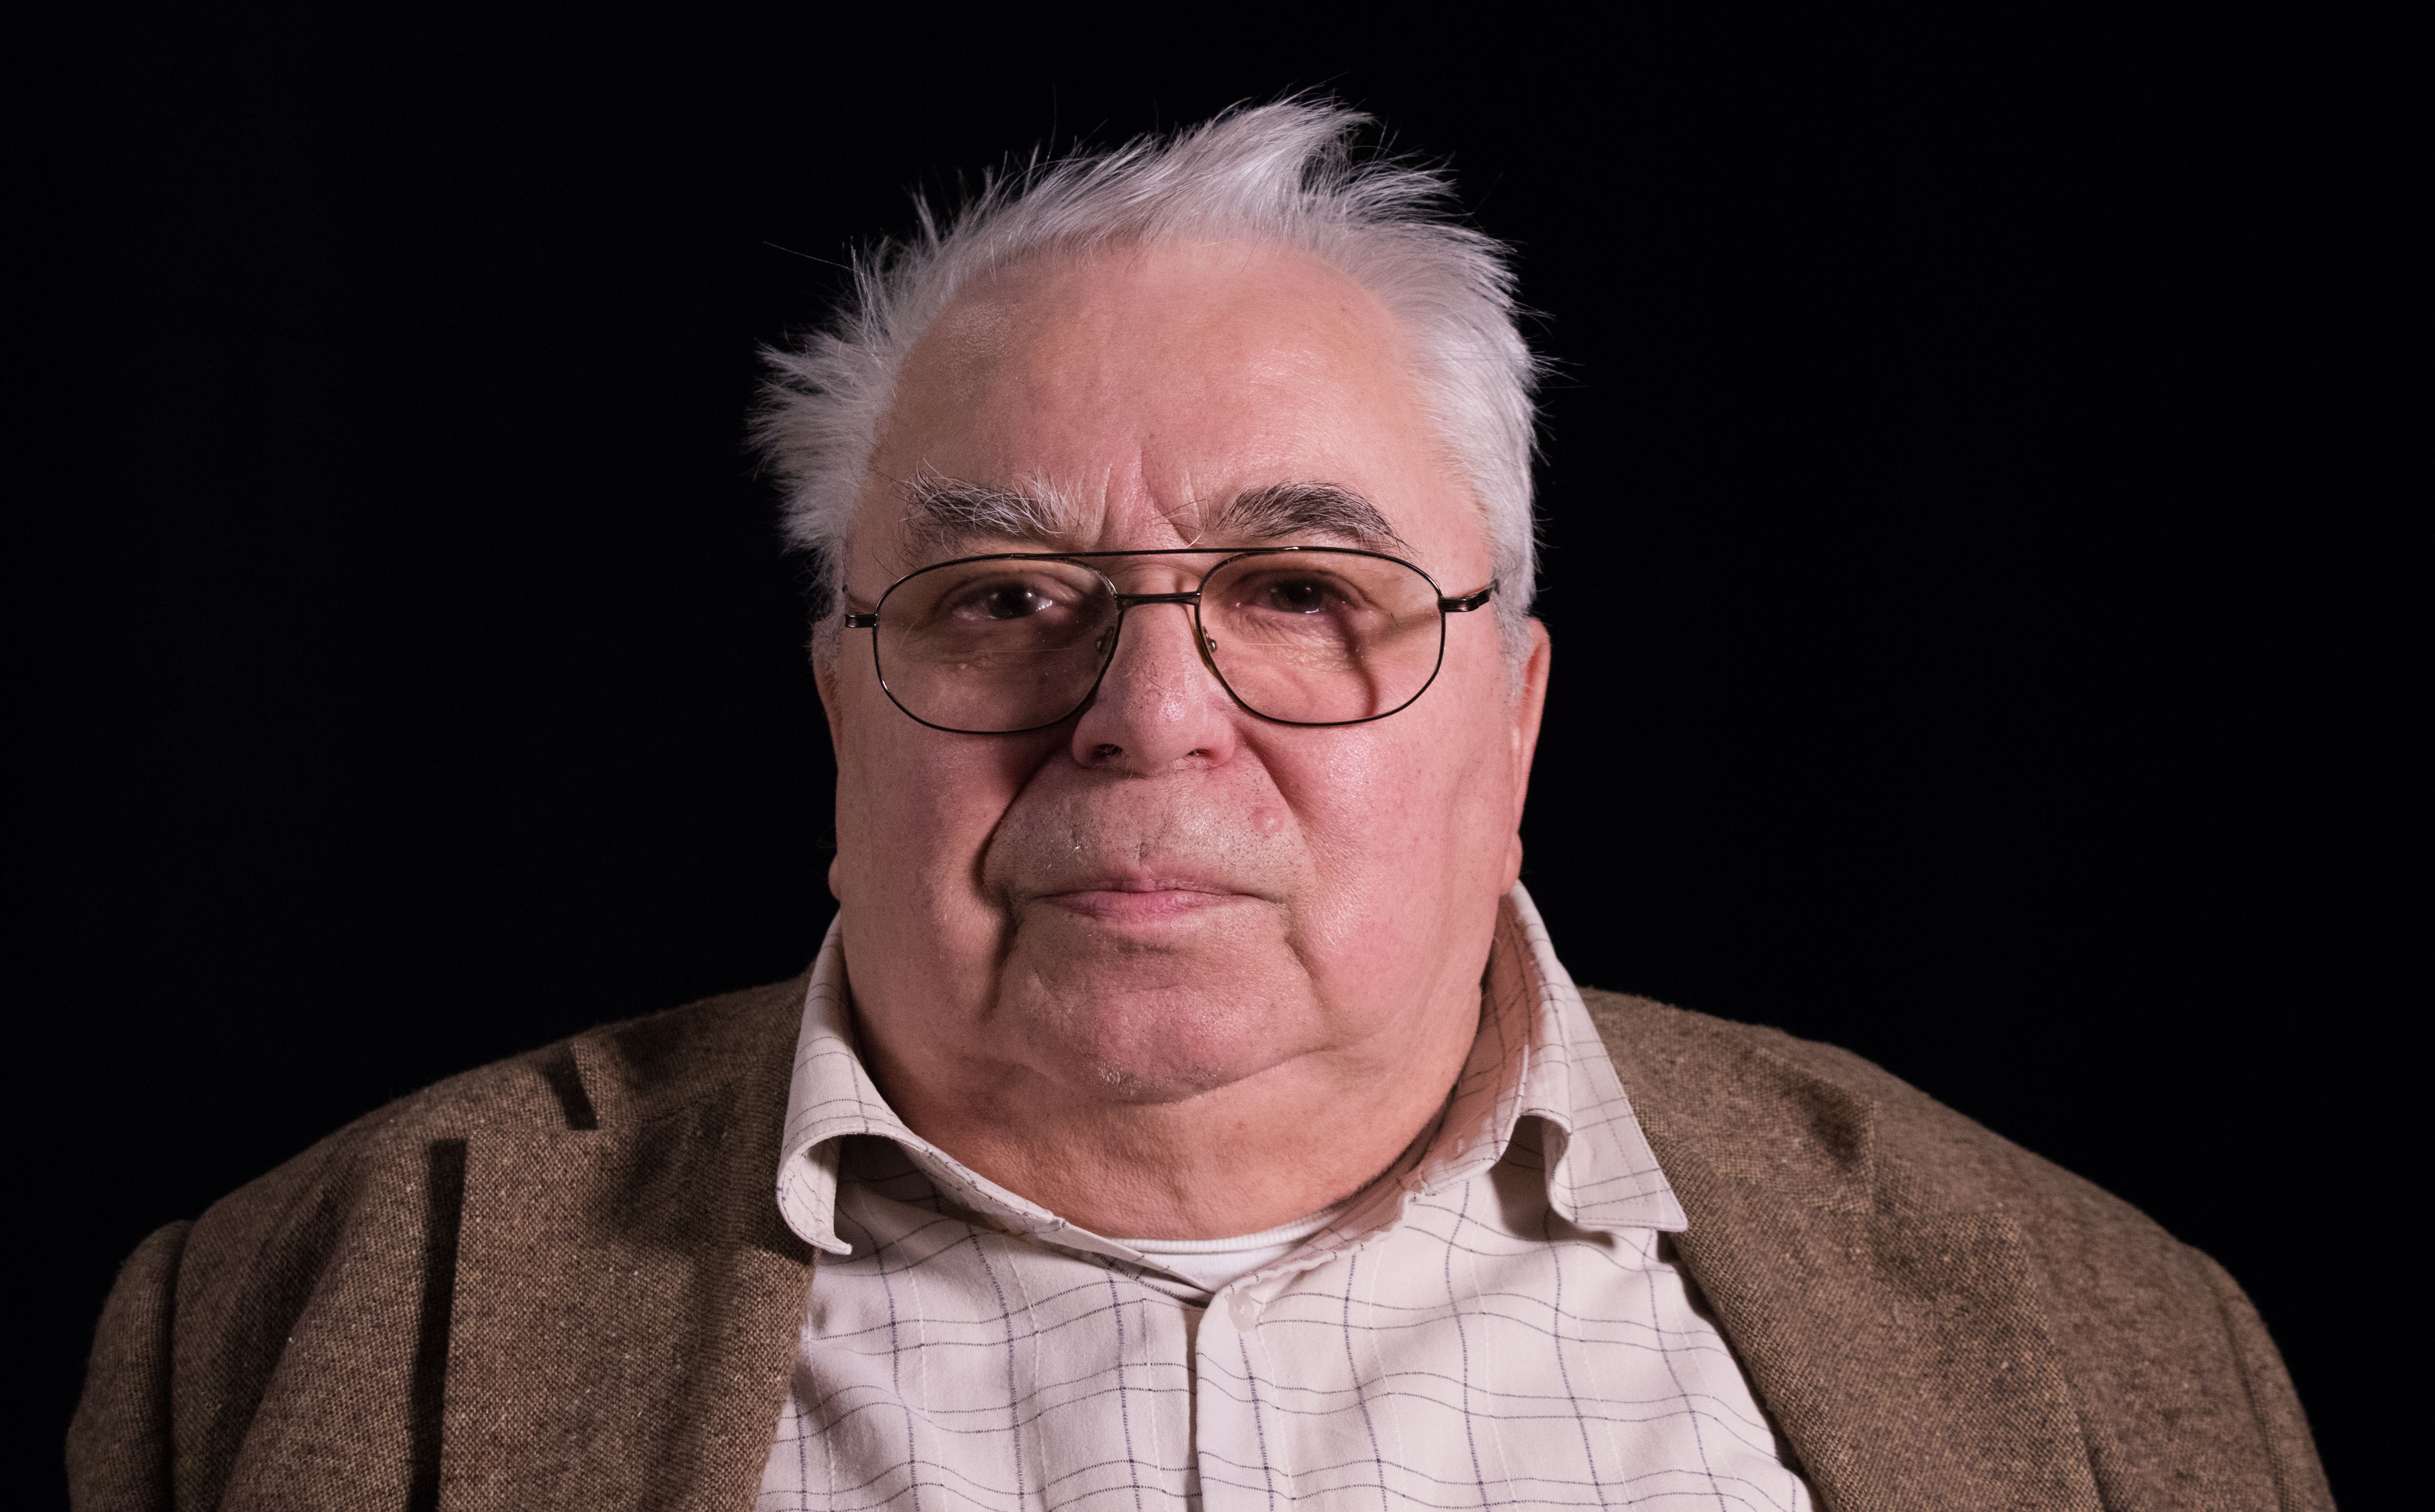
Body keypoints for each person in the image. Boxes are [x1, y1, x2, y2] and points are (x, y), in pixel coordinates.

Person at [69, 102, 2328, 1512]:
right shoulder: (294, 1319)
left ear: (1515, 726)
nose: (1149, 719)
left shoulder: (2100, 1343)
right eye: (1006, 600)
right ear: (843, 716)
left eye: (1300, 592)